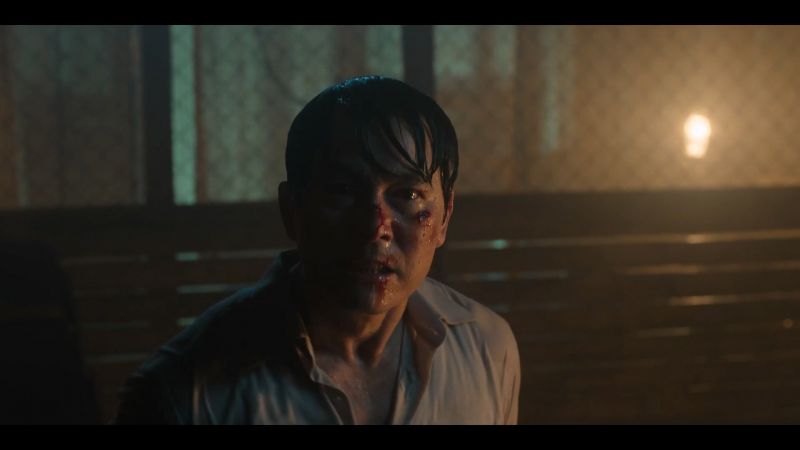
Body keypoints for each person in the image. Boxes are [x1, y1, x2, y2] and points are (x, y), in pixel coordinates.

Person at [114, 75, 520, 425]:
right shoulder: (183, 391)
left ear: (445, 218)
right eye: (343, 191)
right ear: (292, 211)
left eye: (408, 195)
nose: (375, 228)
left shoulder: (485, 347)